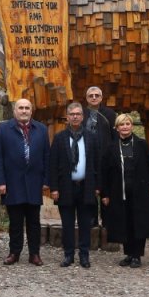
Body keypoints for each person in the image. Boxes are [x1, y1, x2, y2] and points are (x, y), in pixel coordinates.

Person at [0, 98, 50, 266]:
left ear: (31, 111)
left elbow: (47, 157)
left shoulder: (41, 129)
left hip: (34, 182)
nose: (24, 111)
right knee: (15, 221)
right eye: (21, 108)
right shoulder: (4, 130)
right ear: (15, 111)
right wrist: (0, 181)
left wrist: (46, 180)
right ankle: (14, 252)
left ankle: (34, 253)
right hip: (12, 183)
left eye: (27, 108)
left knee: (34, 221)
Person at [101, 113, 149, 267]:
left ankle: (137, 255)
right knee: (124, 223)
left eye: (127, 124)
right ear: (117, 128)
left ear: (132, 126)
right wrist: (105, 194)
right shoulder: (111, 147)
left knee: (138, 223)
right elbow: (104, 172)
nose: (125, 127)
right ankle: (128, 254)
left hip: (140, 191)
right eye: (121, 124)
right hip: (120, 192)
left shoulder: (141, 144)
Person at [49, 102, 100, 268]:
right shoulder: (59, 138)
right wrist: (54, 188)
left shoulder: (91, 137)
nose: (75, 116)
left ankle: (84, 255)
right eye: (72, 114)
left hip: (86, 186)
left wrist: (97, 186)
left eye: (78, 114)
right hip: (66, 187)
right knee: (68, 224)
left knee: (86, 224)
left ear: (83, 117)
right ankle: (68, 255)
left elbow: (97, 163)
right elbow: (54, 165)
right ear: (67, 117)